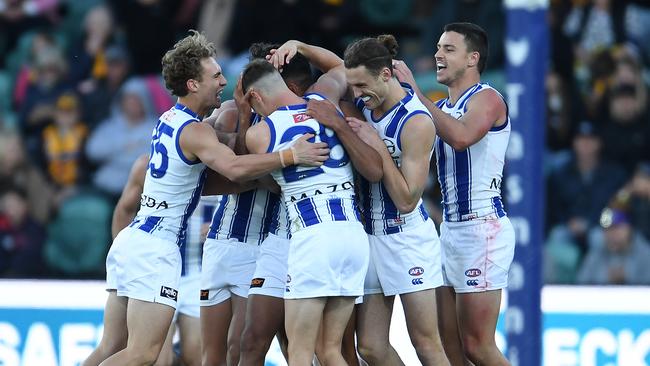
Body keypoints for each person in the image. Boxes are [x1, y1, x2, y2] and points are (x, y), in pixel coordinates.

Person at [82, 30, 329, 366]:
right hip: (156, 247)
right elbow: (234, 168)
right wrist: (289, 156)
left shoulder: (170, 120)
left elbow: (224, 180)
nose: (223, 81)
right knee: (143, 354)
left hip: (132, 241)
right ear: (193, 84)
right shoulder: (196, 131)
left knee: (110, 346)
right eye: (215, 76)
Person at [240, 40, 380, 366]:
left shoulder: (261, 134)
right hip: (352, 236)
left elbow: (248, 175)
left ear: (255, 97)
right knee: (331, 350)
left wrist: (248, 118)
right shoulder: (323, 99)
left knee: (300, 352)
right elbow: (341, 68)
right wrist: (298, 46)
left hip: (312, 238)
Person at [393, 22, 515, 365]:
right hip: (449, 231)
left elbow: (462, 137)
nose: (438, 55)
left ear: (472, 58)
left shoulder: (488, 98)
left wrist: (416, 94)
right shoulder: (443, 109)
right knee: (450, 349)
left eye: (448, 49)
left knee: (478, 345)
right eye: (437, 48)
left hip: (482, 228)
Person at [331, 35, 448, 366]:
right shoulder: (367, 104)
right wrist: (299, 45)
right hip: (369, 238)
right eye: (352, 85)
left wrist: (377, 146)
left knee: (426, 344)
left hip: (407, 238)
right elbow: (333, 66)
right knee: (369, 347)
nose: (356, 94)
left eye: (361, 84)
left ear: (385, 74)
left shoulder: (416, 121)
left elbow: (407, 199)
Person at [109, 154, 213, 366]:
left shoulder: (224, 164)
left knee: (198, 356)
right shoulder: (152, 164)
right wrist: (124, 266)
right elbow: (124, 210)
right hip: (156, 265)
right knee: (155, 358)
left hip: (199, 273)